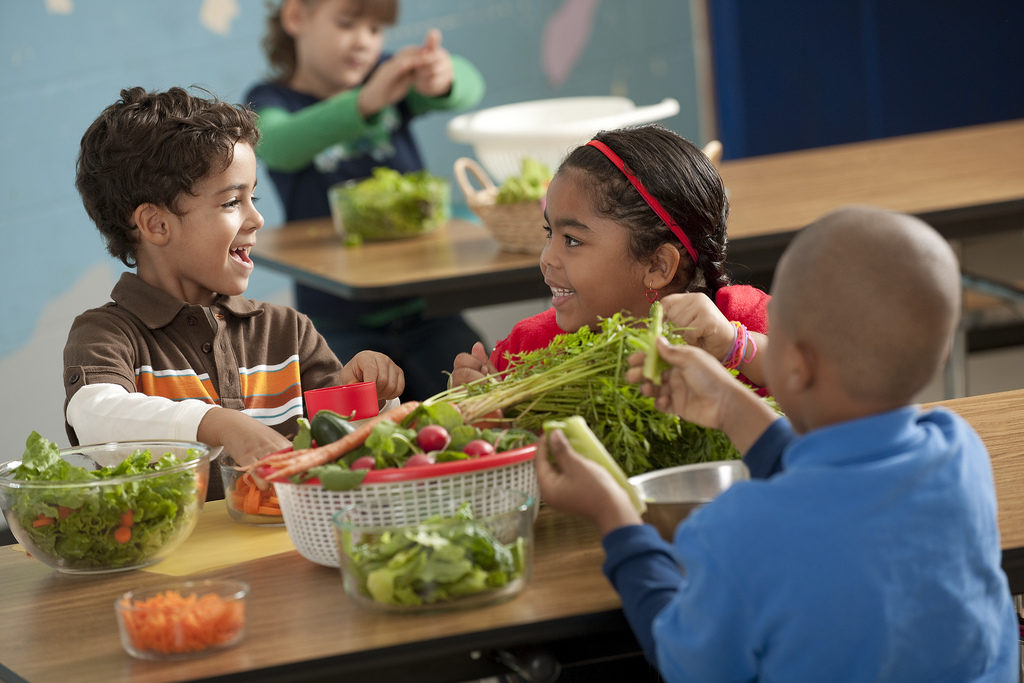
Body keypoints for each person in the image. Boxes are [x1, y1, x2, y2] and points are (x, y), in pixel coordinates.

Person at [537, 206, 1019, 681]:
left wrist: (616, 517)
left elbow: (685, 661)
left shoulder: (740, 529)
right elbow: (844, 488)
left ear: (795, 363)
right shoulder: (960, 452)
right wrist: (732, 406)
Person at [64, 86, 405, 480]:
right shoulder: (106, 335)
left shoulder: (288, 332)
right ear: (156, 225)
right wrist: (219, 423)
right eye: (231, 202)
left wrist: (370, 397)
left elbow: (347, 452)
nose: (257, 219)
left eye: (253, 198)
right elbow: (96, 416)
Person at [244, 0, 486, 401]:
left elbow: (468, 85)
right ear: (296, 17)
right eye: (347, 24)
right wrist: (365, 101)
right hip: (336, 319)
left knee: (483, 395)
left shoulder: (388, 76)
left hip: (428, 308)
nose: (363, 43)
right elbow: (279, 144)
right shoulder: (271, 99)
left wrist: (441, 78)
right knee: (353, 425)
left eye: (375, 30)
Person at [451, 124, 770, 392]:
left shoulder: (743, 321)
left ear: (657, 266)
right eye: (550, 233)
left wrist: (736, 348)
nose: (547, 258)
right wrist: (482, 416)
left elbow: (812, 374)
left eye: (572, 240)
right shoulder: (526, 351)